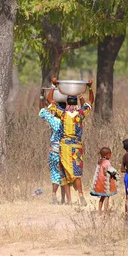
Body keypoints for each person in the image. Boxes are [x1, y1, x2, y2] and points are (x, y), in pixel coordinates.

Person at [48, 78, 94, 206]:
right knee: (76, 173)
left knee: (64, 172)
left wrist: (53, 85)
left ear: (67, 103)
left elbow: (50, 101)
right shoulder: (80, 114)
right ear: (76, 104)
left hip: (65, 147)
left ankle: (68, 200)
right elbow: (91, 102)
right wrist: (89, 88)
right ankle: (80, 196)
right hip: (77, 147)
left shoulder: (62, 114)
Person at [38, 90, 66, 204]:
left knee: (55, 173)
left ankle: (54, 194)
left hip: (54, 152)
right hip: (66, 152)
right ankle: (65, 199)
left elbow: (42, 111)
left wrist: (42, 96)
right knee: (64, 175)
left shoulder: (54, 121)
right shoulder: (70, 121)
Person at [90, 147, 119, 215]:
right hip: (106, 183)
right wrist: (115, 173)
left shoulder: (100, 161)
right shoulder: (107, 162)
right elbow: (109, 170)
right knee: (107, 197)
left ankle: (99, 211)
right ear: (106, 156)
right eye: (109, 155)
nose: (110, 156)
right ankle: (106, 211)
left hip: (100, 182)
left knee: (102, 197)